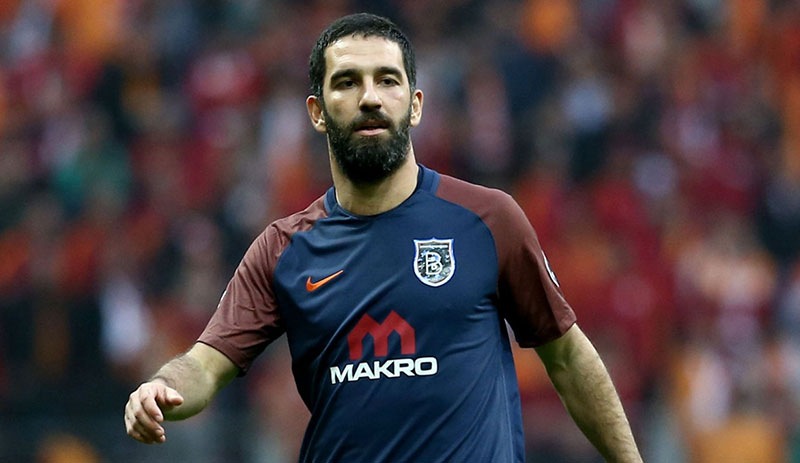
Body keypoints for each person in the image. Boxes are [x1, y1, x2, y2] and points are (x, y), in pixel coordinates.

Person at [124, 12, 643, 462]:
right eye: (347, 82)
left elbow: (568, 358)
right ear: (317, 112)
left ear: (414, 105)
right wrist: (161, 388)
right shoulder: (284, 249)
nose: (370, 97)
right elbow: (204, 365)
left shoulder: (489, 220)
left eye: (387, 80)